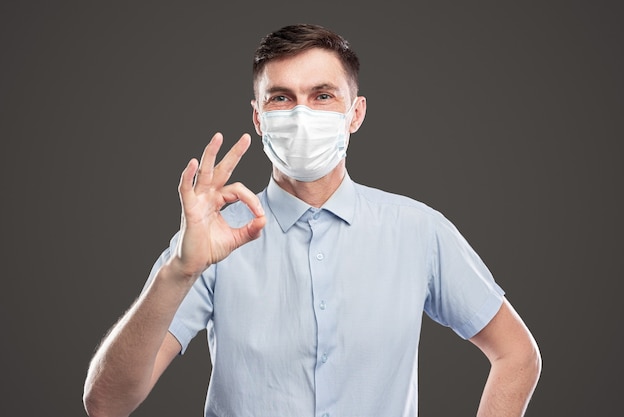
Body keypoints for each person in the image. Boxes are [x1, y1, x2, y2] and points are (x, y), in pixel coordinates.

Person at [83, 23, 541, 417]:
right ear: (259, 118)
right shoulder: (210, 239)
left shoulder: (419, 230)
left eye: (323, 95)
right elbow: (107, 403)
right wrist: (178, 271)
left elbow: (517, 354)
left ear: (354, 113)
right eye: (282, 98)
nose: (302, 115)